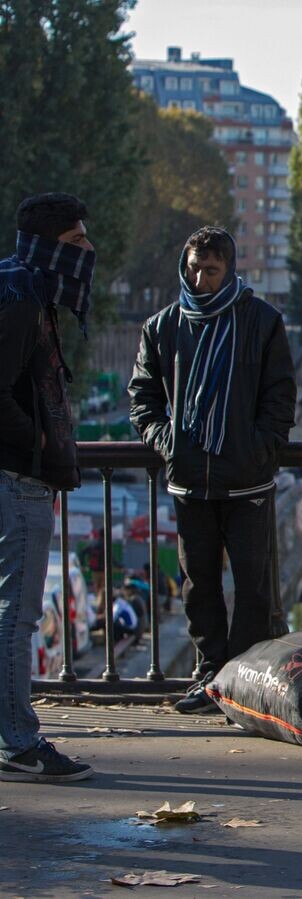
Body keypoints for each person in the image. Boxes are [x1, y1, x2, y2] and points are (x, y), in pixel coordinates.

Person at [129, 227, 296, 715]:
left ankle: (245, 680)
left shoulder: (262, 322)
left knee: (252, 585)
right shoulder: (162, 327)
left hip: (246, 479)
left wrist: (259, 448)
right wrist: (167, 444)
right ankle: (208, 678)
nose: (200, 279)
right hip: (190, 482)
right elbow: (143, 398)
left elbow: (280, 397)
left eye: (211, 270)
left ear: (230, 270)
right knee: (198, 584)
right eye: (194, 269)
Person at [0, 193, 94, 783]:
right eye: (78, 243)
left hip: (21, 472)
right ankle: (18, 741)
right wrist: (37, 444)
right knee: (18, 616)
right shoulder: (21, 299)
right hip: (19, 477)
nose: (89, 253)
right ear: (48, 246)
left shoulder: (21, 287)